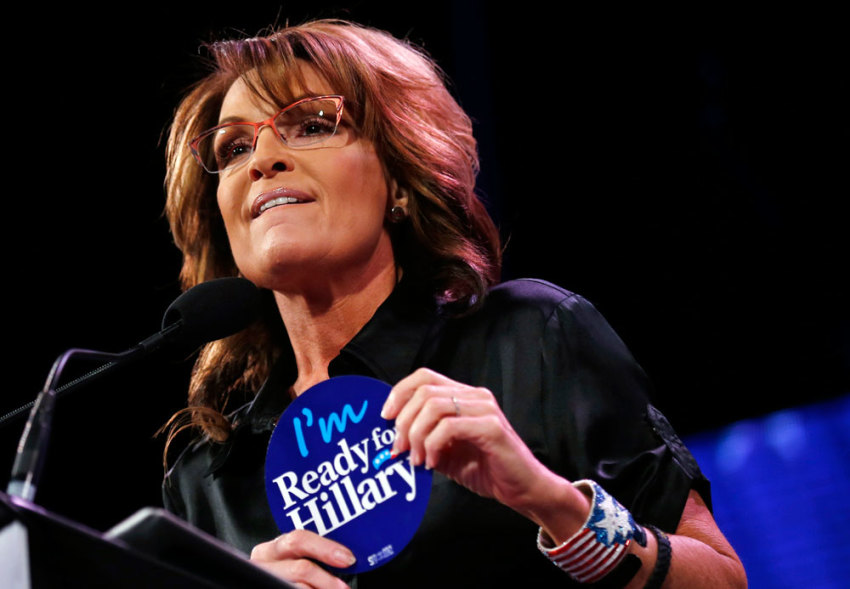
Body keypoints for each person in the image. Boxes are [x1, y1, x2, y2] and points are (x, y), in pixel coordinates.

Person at [159, 18, 746, 588]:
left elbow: (723, 579)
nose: (261, 159)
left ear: (399, 179)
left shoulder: (529, 340)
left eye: (311, 124)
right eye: (234, 146)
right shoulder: (207, 476)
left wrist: (550, 502)